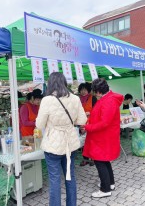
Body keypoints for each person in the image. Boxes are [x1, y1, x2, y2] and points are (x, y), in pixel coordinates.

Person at [36, 72, 87, 206]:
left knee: (54, 180)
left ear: (50, 83)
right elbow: (82, 119)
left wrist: (53, 124)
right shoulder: (75, 98)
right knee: (70, 177)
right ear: (64, 82)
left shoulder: (47, 100)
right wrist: (68, 123)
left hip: (53, 144)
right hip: (70, 143)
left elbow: (39, 124)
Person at [82, 78, 123, 198]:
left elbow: (104, 122)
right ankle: (110, 183)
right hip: (104, 136)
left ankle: (105, 190)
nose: (94, 94)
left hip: (103, 137)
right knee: (104, 161)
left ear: (98, 91)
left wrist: (88, 127)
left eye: (94, 91)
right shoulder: (108, 98)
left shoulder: (108, 101)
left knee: (100, 162)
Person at [78, 82, 97, 166]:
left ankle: (93, 158)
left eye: (85, 90)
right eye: (81, 90)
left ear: (88, 90)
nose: (83, 92)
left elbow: (97, 110)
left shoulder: (93, 98)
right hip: (81, 123)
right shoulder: (77, 99)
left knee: (91, 141)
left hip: (91, 123)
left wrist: (90, 113)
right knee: (83, 142)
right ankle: (85, 159)